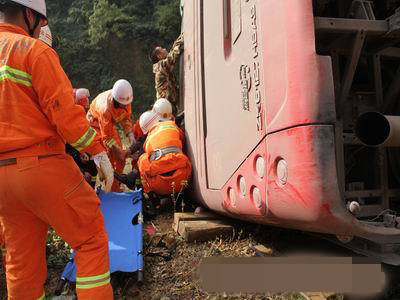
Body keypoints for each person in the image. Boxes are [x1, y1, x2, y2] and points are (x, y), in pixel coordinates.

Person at [0, 1, 114, 298]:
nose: (41, 30)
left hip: (2, 182)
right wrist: (98, 151)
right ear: (29, 14)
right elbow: (64, 113)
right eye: (40, 23)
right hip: (40, 165)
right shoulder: (33, 51)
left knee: (21, 261)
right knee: (90, 239)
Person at [87, 79, 135, 192]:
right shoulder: (105, 110)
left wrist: (130, 135)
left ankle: (117, 182)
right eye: (123, 105)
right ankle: (113, 189)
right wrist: (116, 150)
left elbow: (126, 119)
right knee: (107, 158)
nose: (125, 107)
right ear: (116, 100)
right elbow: (106, 138)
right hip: (95, 124)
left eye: (126, 105)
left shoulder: (125, 99)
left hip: (108, 126)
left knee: (121, 158)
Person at [137, 109, 192, 195]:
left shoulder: (147, 142)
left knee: (142, 159)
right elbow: (184, 141)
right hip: (183, 179)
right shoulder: (172, 125)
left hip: (159, 186)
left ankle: (150, 195)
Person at [66, 88, 98, 188]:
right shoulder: (66, 118)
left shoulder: (80, 116)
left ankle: (91, 189)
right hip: (67, 153)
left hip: (77, 150)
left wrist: (83, 152)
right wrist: (82, 171)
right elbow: (67, 142)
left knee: (92, 164)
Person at [150, 32, 184, 115]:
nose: (165, 49)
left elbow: (172, 51)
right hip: (165, 107)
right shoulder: (160, 67)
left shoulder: (161, 66)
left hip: (167, 105)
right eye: (162, 49)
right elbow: (172, 56)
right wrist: (182, 40)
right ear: (159, 56)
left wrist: (180, 38)